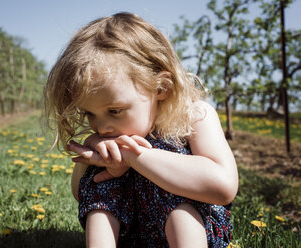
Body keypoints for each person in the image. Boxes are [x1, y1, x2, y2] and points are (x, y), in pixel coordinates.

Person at [42, 12, 238, 248]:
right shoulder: (104, 137)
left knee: (172, 175)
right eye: (89, 114)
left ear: (161, 88)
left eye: (115, 110)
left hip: (195, 231)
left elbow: (223, 186)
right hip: (132, 235)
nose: (102, 127)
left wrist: (135, 156)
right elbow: (79, 193)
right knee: (100, 182)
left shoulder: (194, 116)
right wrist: (98, 159)